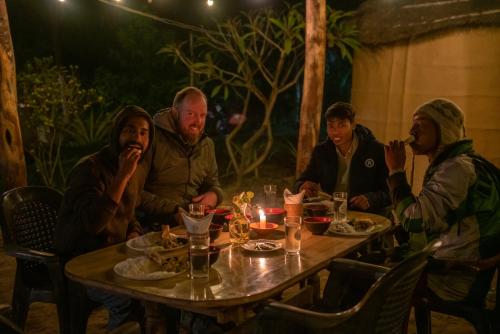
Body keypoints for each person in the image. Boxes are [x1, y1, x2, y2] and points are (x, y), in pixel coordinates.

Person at [385, 98, 500, 305]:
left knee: (359, 274)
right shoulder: (460, 164)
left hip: (452, 278)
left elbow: (414, 219)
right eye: (412, 125)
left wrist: (396, 171)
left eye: (420, 126)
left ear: (444, 130)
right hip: (458, 266)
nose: (412, 132)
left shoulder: (457, 170)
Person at [54, 105, 153, 330]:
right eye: (129, 130)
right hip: (80, 263)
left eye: (143, 132)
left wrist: (134, 231)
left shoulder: (135, 168)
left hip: (113, 256)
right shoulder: (90, 169)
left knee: (156, 292)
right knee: (127, 301)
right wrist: (122, 176)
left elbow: (129, 212)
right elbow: (93, 224)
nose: (136, 138)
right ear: (117, 132)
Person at [141, 86, 223, 224]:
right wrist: (174, 210)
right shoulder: (151, 139)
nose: (198, 121)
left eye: (202, 115)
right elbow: (134, 191)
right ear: (175, 113)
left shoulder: (206, 145)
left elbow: (213, 183)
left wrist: (215, 195)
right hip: (155, 224)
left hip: (194, 222)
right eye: (191, 114)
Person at [294, 102, 390, 214]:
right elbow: (302, 180)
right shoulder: (321, 151)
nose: (335, 132)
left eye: (342, 125)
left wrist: (371, 199)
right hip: (331, 213)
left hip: (367, 215)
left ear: (353, 125)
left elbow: (389, 192)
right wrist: (302, 187)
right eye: (331, 126)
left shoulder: (375, 150)